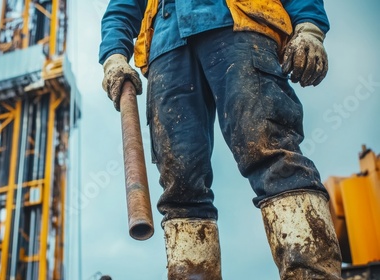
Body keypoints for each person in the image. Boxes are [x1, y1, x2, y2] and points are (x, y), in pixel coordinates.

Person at [99, 0, 342, 279]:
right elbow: (123, 6)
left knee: (271, 152)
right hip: (166, 47)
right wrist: (114, 55)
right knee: (181, 185)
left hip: (238, 23)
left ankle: (311, 273)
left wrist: (309, 27)